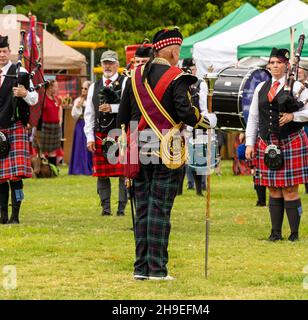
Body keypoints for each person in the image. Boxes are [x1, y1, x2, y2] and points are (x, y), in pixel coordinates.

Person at [117, 27, 217, 280]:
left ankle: (141, 268)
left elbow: (125, 116)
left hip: (138, 149)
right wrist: (207, 121)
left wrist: (127, 149)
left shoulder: (134, 75)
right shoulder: (177, 77)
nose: (178, 54)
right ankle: (158, 270)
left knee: (142, 208)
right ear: (172, 50)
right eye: (178, 50)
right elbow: (186, 113)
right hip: (166, 149)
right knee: (159, 209)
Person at [245, 47, 308, 242]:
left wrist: (293, 115)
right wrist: (250, 143)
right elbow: (254, 117)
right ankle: (275, 233)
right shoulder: (261, 88)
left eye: (279, 63)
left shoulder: (297, 86)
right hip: (267, 143)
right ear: (268, 66)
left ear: (286, 65)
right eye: (272, 63)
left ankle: (294, 233)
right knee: (273, 188)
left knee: (290, 189)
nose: (275, 66)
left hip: (290, 141)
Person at [0, 35, 38, 224]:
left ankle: (15, 215)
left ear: (9, 52)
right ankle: (3, 215)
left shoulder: (20, 71)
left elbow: (35, 98)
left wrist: (25, 93)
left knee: (15, 176)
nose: (2, 55)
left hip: (15, 127)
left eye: (5, 51)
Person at [84, 50, 128, 216]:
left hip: (119, 132)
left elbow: (128, 107)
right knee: (102, 174)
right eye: (105, 63)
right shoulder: (94, 87)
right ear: (101, 65)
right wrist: (89, 137)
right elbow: (89, 114)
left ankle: (122, 208)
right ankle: (106, 208)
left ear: (117, 64)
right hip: (100, 133)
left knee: (123, 173)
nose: (108, 66)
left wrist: (113, 108)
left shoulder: (125, 82)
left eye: (111, 62)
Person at [180, 58, 207, 196]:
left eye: (191, 68)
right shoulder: (179, 82)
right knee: (179, 159)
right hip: (180, 126)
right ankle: (179, 190)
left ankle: (199, 189)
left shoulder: (201, 84)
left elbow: (203, 108)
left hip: (196, 125)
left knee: (198, 159)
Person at [69, 80, 93, 175]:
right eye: (82, 88)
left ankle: (90, 167)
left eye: (85, 88)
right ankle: (78, 168)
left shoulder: (92, 100)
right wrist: (78, 107)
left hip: (90, 124)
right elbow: (74, 115)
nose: (83, 90)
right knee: (79, 146)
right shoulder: (78, 100)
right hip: (80, 124)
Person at [38, 80, 62, 168]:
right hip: (45, 126)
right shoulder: (43, 99)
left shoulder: (56, 99)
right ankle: (42, 169)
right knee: (42, 150)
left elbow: (59, 110)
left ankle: (53, 169)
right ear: (49, 88)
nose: (57, 89)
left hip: (55, 127)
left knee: (53, 150)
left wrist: (60, 121)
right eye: (55, 87)